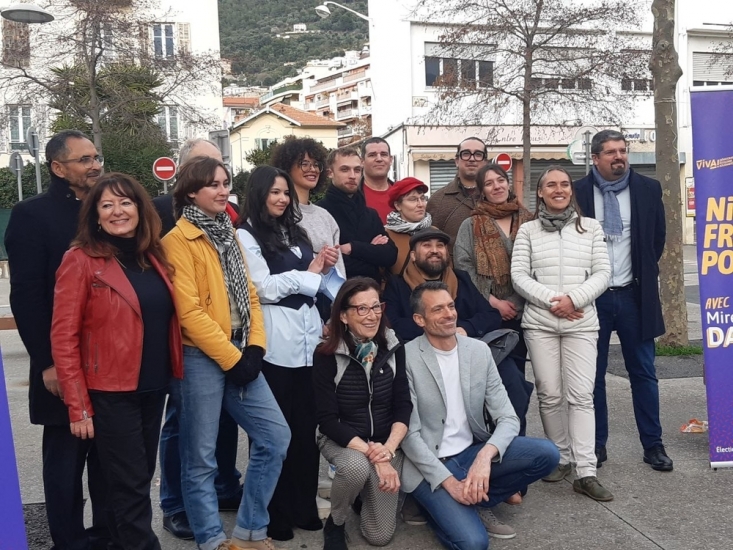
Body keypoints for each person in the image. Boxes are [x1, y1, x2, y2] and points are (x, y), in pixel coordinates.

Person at [163, 156, 290, 550]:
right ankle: (212, 540)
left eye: (225, 183)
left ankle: (250, 531)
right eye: (214, 185)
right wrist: (233, 359)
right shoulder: (176, 242)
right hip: (200, 357)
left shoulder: (229, 233)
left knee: (275, 437)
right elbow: (189, 314)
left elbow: (249, 293)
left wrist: (255, 346)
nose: (223, 191)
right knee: (200, 458)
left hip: (241, 350)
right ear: (190, 192)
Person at [51, 173, 182, 549]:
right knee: (132, 485)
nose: (117, 211)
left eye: (125, 202)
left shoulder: (153, 257)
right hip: (110, 391)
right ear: (95, 215)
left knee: (130, 480)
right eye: (106, 205)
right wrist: (78, 406)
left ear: (140, 209)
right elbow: (63, 337)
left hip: (153, 387)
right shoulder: (80, 260)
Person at [5, 129, 111, 550]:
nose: (95, 165)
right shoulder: (31, 215)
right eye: (84, 159)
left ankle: (107, 535)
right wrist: (47, 362)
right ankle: (69, 542)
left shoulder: (107, 209)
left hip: (110, 360)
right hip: (61, 361)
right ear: (57, 168)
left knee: (107, 460)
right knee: (66, 461)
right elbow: (26, 296)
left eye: (96, 157)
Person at [402, 281, 559, 549]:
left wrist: (485, 457)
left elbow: (508, 417)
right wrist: (450, 484)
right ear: (420, 319)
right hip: (430, 464)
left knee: (547, 454)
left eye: (450, 306)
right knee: (474, 543)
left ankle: (475, 500)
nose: (449, 314)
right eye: (438, 309)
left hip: (470, 452)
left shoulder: (477, 351)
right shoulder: (406, 358)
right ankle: (438, 506)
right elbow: (409, 436)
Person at [236, 166, 343, 541]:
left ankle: (303, 506)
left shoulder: (297, 232)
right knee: (272, 434)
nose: (282, 199)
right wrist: (307, 276)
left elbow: (311, 283)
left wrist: (321, 270)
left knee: (304, 429)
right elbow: (262, 287)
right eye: (275, 192)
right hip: (274, 344)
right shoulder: (246, 234)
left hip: (309, 341)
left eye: (285, 193)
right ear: (259, 193)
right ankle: (274, 511)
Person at [383, 228, 534, 475]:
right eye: (426, 245)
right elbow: (394, 323)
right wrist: (438, 331)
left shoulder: (461, 280)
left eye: (440, 246)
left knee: (515, 383)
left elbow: (489, 315)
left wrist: (464, 329)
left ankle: (508, 464)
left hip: (472, 352)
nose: (434, 250)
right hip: (425, 357)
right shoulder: (398, 285)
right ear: (413, 255)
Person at [154, 139, 243, 541]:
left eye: (221, 169)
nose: (217, 179)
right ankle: (175, 504)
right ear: (185, 175)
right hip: (185, 342)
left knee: (223, 421)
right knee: (182, 426)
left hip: (228, 336)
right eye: (205, 168)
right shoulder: (161, 213)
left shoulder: (228, 218)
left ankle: (224, 486)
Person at [574, 130, 673, 472]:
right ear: (595, 158)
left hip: (635, 296)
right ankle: (596, 444)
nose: (619, 156)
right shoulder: (578, 192)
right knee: (593, 374)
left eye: (623, 150)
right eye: (611, 152)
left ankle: (653, 445)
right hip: (593, 299)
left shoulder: (648, 189)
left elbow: (656, 239)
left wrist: (642, 274)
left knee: (644, 373)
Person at [511, 166, 612, 501]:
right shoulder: (527, 231)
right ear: (540, 192)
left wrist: (574, 300)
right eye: (551, 185)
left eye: (565, 184)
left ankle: (586, 471)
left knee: (581, 396)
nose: (559, 189)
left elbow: (602, 273)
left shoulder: (591, 228)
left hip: (581, 323)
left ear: (571, 190)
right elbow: (519, 276)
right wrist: (555, 301)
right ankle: (561, 458)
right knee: (550, 394)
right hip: (540, 324)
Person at [313, 277, 412, 550]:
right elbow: (327, 420)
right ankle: (336, 521)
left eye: (376, 307)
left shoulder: (393, 345)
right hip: (343, 440)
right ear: (343, 315)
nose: (372, 316)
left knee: (379, 536)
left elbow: (403, 405)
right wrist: (374, 455)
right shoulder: (327, 354)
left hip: (385, 442)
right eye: (362, 309)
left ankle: (358, 493)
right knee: (355, 467)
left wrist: (388, 450)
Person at [454, 163, 534, 373]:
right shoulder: (470, 225)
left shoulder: (529, 220)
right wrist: (494, 302)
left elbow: (538, 263)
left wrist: (515, 302)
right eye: (489, 183)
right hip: (487, 312)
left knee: (518, 374)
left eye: (500, 180)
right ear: (482, 191)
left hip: (526, 311)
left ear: (508, 184)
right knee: (490, 374)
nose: (497, 186)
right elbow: (463, 266)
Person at [270, 136, 345, 320]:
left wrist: (339, 311)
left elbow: (339, 269)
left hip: (327, 308)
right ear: (287, 166)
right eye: (304, 163)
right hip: (291, 309)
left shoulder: (325, 216)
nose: (312, 169)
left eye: (316, 164)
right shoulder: (278, 213)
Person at [317, 146, 397, 285]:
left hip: (373, 292)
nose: (352, 176)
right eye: (345, 169)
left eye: (357, 170)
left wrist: (352, 248)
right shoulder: (320, 212)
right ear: (330, 173)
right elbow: (329, 263)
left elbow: (390, 256)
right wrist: (371, 253)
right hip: (336, 293)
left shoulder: (370, 214)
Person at [426, 137, 488, 247]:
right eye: (466, 154)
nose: (472, 159)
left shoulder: (498, 196)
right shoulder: (437, 200)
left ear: (485, 162)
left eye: (478, 154)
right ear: (457, 161)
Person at [384, 177, 434, 276]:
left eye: (422, 198)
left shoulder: (434, 232)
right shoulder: (386, 235)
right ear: (398, 205)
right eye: (413, 199)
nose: (420, 204)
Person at [360, 137, 394, 223]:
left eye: (384, 154)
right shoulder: (351, 196)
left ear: (390, 160)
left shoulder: (402, 194)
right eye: (372, 155)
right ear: (362, 161)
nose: (379, 159)